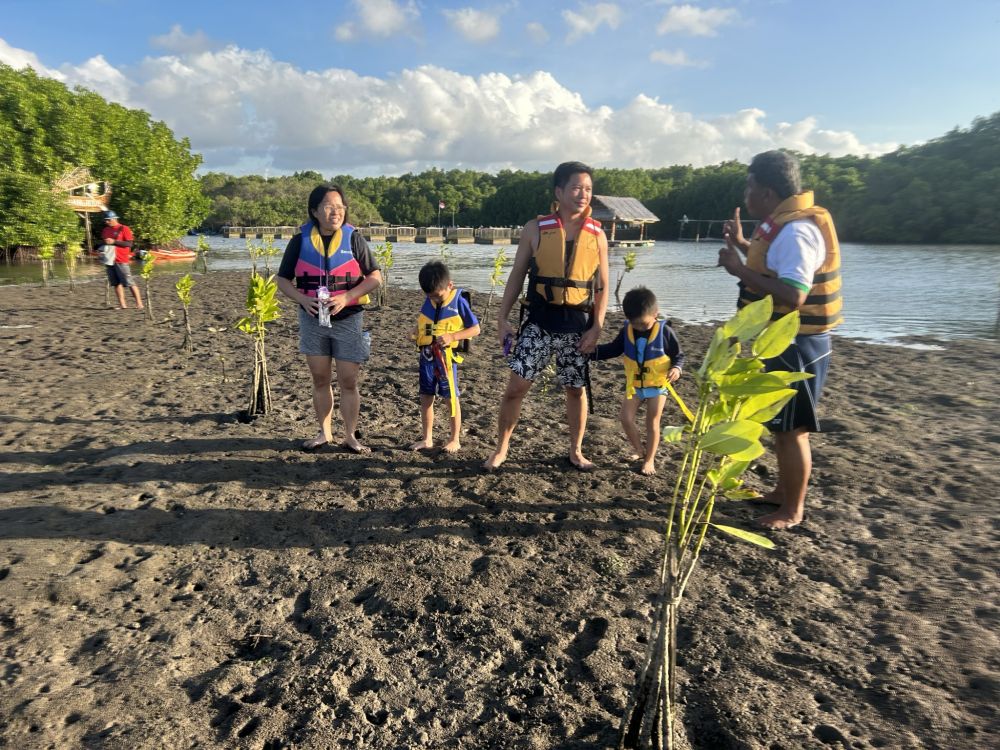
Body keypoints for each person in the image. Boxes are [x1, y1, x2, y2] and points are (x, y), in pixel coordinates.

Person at [717, 150, 843, 530]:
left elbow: (793, 294)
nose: (746, 193)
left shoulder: (797, 231)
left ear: (768, 192)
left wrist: (738, 268)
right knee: (781, 424)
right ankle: (780, 492)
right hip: (786, 339)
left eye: (750, 185)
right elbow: (771, 269)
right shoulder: (783, 227)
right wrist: (742, 245)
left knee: (792, 431)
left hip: (798, 343)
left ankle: (792, 509)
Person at [484, 161, 610, 471]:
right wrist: (503, 317)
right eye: (577, 188)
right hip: (539, 321)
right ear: (559, 191)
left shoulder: (597, 235)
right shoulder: (534, 229)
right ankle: (501, 448)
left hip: (576, 325)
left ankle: (576, 450)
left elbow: (602, 287)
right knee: (516, 388)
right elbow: (516, 275)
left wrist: (597, 327)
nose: (583, 194)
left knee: (575, 388)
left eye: (589, 189)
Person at [276, 185, 382, 454]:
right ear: (314, 211)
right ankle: (324, 433)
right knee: (320, 379)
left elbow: (375, 277)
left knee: (349, 380)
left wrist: (347, 297)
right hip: (313, 319)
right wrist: (302, 299)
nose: (336, 211)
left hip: (348, 319)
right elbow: (282, 279)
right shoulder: (299, 241)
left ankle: (350, 436)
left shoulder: (354, 239)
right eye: (328, 206)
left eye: (340, 206)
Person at [591, 287, 685, 476]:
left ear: (655, 314)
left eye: (644, 324)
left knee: (652, 423)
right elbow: (613, 349)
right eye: (636, 325)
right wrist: (591, 353)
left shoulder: (665, 332)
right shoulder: (627, 329)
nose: (640, 328)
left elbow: (679, 355)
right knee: (625, 418)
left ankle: (649, 460)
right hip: (635, 386)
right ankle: (639, 450)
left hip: (658, 386)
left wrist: (677, 368)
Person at [410, 261, 481, 453]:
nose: (434, 299)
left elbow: (475, 329)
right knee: (426, 397)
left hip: (446, 359)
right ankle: (427, 438)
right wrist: (416, 331)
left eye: (437, 295)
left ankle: (455, 439)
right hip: (426, 357)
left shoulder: (459, 301)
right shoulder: (429, 298)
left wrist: (453, 336)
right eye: (429, 295)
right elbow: (425, 322)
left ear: (450, 285)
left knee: (451, 398)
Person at [100, 211, 143, 309]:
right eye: (105, 220)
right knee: (115, 283)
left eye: (108, 220)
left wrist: (114, 241)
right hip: (109, 260)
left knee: (129, 282)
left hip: (121, 259)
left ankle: (139, 303)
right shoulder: (105, 230)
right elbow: (104, 243)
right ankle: (122, 305)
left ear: (115, 219)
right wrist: (100, 249)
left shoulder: (124, 228)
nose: (106, 222)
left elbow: (129, 244)